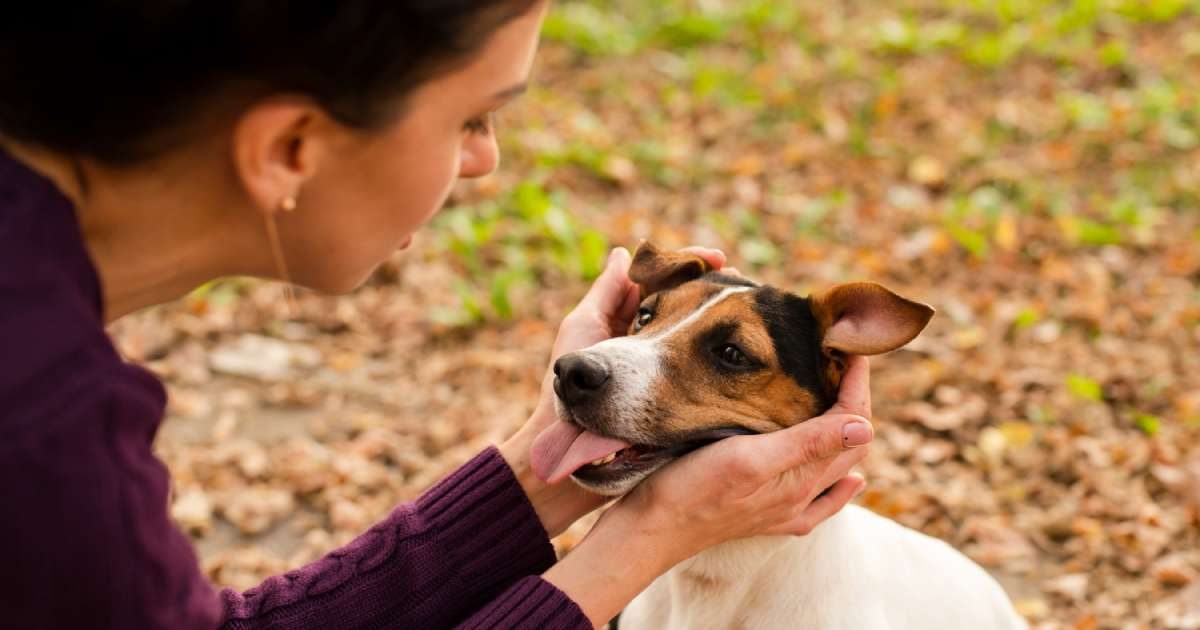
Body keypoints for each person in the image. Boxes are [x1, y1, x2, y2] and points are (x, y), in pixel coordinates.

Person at [0, 1, 875, 628]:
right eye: (474, 117)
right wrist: (638, 547)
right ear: (290, 149)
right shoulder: (46, 443)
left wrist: (544, 467)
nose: (485, 163)